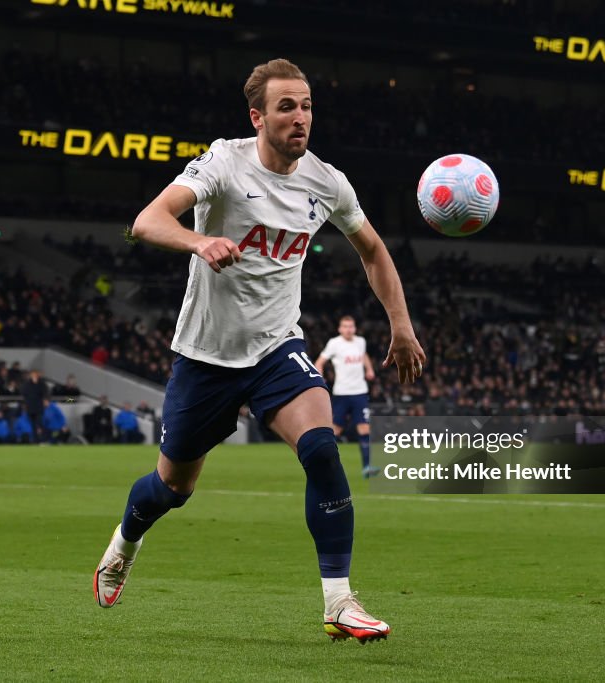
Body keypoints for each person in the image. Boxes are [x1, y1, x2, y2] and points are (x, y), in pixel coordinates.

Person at [93, 58, 426, 644]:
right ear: (258, 116)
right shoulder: (223, 161)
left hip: (277, 347)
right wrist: (199, 240)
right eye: (286, 107)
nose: (301, 118)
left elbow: (372, 250)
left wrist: (400, 324)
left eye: (307, 106)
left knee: (323, 449)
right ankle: (125, 542)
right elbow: (146, 221)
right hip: (206, 356)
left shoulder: (327, 182)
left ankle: (339, 602)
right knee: (172, 490)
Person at [314, 315, 379, 478]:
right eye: (345, 326)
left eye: (351, 326)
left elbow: (364, 355)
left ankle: (367, 467)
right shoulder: (334, 343)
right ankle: (322, 465)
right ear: (340, 329)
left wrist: (369, 369)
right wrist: (319, 378)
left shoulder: (360, 342)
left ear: (355, 328)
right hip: (342, 393)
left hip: (360, 392)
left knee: (364, 428)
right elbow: (319, 362)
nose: (349, 329)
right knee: (335, 430)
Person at [21, 369, 47, 442]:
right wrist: (25, 404)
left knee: (40, 423)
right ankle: (35, 441)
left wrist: (45, 400)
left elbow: (45, 392)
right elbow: (24, 393)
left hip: (38, 408)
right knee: (33, 425)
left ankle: (42, 440)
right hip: (30, 407)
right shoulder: (27, 384)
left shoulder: (41, 383)